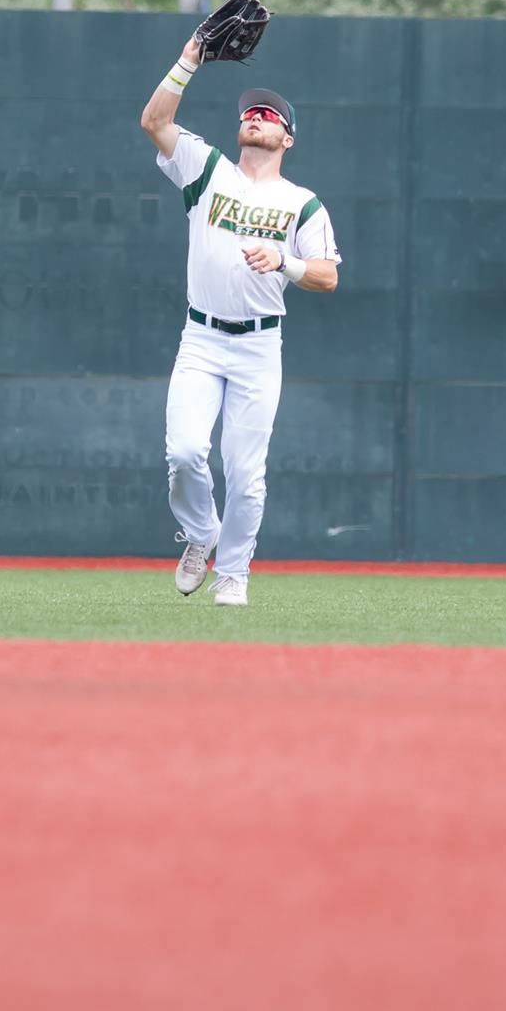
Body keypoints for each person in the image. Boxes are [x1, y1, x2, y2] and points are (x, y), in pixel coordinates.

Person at [138, 32, 340, 606]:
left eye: (270, 114)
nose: (257, 115)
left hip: (257, 347)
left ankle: (235, 572)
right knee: (183, 452)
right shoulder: (208, 169)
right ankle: (202, 535)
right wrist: (187, 62)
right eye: (250, 110)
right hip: (200, 337)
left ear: (288, 137)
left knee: (246, 475)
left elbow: (328, 276)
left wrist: (287, 261)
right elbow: (154, 121)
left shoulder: (302, 203)